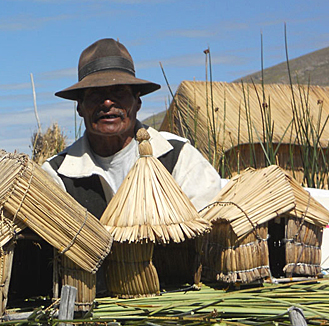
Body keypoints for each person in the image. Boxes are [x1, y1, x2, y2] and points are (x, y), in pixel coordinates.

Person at [42, 38, 221, 219]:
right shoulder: (57, 174)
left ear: (138, 102)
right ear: (79, 107)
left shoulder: (177, 157)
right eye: (96, 93)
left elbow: (210, 224)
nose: (107, 102)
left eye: (118, 91)